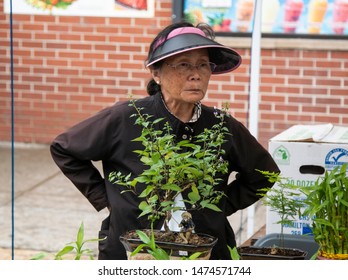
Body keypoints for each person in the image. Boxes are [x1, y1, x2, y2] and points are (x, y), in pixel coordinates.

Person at [50, 21, 280, 260]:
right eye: (183, 65)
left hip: (204, 253)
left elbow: (264, 174)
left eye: (203, 65)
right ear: (156, 73)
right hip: (133, 250)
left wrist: (219, 206)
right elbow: (64, 148)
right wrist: (108, 200)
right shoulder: (127, 118)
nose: (196, 75)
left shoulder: (221, 126)